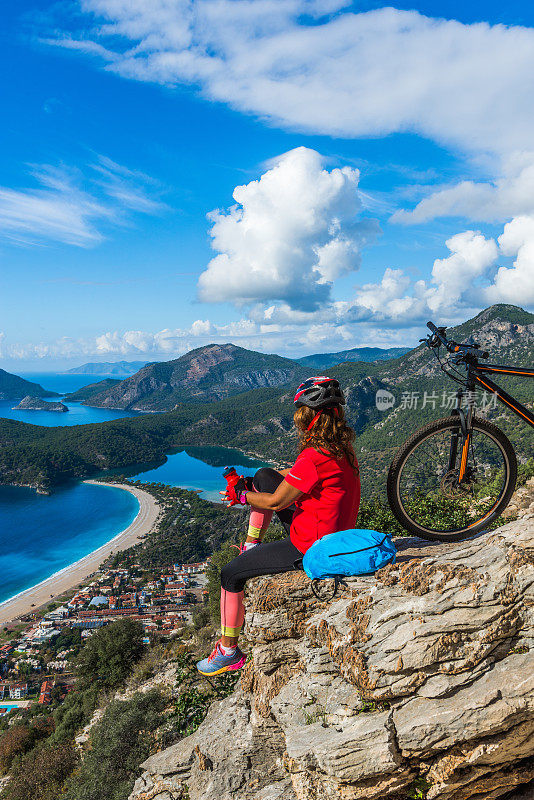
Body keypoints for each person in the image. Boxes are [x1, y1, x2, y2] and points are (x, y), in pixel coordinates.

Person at [196, 377, 360, 676]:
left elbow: (274, 503)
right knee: (264, 474)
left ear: (308, 420)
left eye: (300, 416)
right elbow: (290, 475)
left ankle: (228, 651)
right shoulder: (341, 447)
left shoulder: (314, 455)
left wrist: (241, 495)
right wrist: (249, 481)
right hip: (332, 532)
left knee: (230, 573)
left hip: (312, 547)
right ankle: (252, 546)